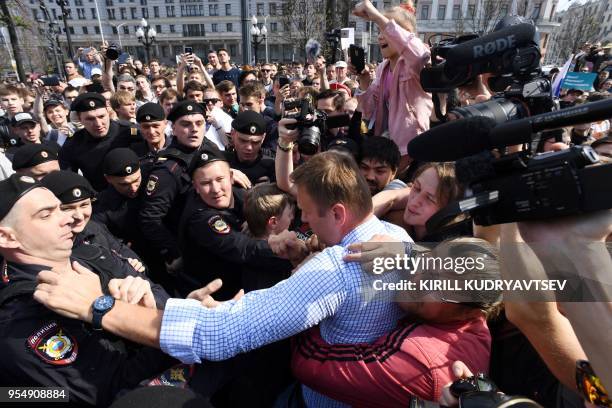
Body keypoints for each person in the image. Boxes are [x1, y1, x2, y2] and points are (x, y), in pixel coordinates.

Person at [31, 151, 412, 408]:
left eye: (309, 214)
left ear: (340, 212)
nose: (305, 223)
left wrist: (97, 307)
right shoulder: (398, 240)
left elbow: (219, 335)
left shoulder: (333, 270)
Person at [0, 174, 175, 406]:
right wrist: (161, 331)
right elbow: (106, 392)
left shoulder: (86, 255)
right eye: (45, 215)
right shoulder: (20, 319)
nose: (67, 219)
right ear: (6, 238)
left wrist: (165, 312)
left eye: (59, 208)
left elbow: (151, 291)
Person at [292, 238, 499, 405]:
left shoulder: (417, 363)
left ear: (467, 313)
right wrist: (406, 249)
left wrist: (306, 282)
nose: (416, 278)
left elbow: (307, 363)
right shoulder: (475, 316)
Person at [177, 145, 291, 298]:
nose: (215, 189)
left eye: (220, 179)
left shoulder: (240, 194)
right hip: (215, 298)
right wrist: (289, 252)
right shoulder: (201, 219)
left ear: (231, 177)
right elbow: (244, 249)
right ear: (196, 187)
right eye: (205, 183)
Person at [138, 101, 218, 283]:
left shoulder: (208, 147)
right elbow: (150, 218)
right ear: (173, 129)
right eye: (186, 124)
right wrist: (173, 254)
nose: (194, 129)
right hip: (191, 251)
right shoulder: (168, 168)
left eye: (199, 123)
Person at [352, 0, 432, 169]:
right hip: (388, 147)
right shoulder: (383, 68)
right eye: (379, 30)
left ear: (406, 33)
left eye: (386, 29)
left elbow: (419, 56)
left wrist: (375, 15)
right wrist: (364, 79)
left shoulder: (416, 61)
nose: (380, 35)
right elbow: (369, 110)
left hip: (412, 149)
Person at [59, 93, 140, 191]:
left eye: (101, 116)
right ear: (80, 119)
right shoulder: (73, 144)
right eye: (90, 119)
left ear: (108, 112)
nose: (98, 124)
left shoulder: (129, 131)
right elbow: (71, 180)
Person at [225, 110, 275, 185]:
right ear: (233, 134)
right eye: (243, 141)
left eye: (255, 142)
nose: (249, 147)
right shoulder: (222, 161)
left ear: (263, 138)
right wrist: (224, 174)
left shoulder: (272, 166)